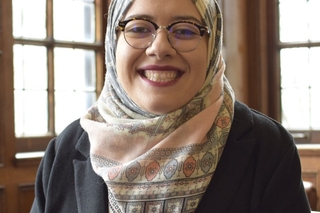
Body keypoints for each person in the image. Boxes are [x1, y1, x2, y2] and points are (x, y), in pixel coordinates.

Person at [31, 0, 311, 212]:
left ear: (213, 46)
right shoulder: (64, 151)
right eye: (139, 28)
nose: (160, 47)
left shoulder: (268, 149)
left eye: (186, 31)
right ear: (113, 43)